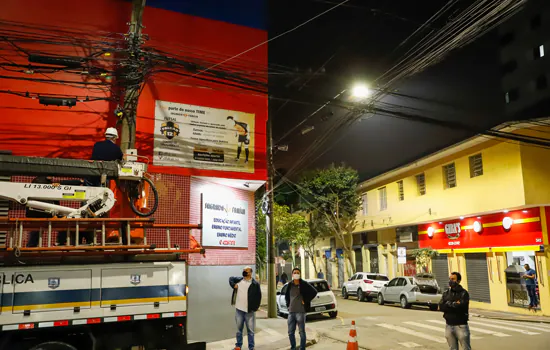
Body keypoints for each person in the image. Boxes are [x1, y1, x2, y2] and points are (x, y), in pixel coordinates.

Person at [284, 267, 318, 350]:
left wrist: (305, 300)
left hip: (300, 312)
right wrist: (288, 305)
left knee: (301, 332)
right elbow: (286, 296)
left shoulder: (303, 284)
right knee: (290, 332)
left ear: (300, 274)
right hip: (291, 312)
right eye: (294, 272)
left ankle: (302, 348)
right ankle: (293, 348)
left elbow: (314, 292)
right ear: (292, 275)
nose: (296, 274)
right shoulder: (289, 285)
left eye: (297, 273)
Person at [229, 266, 261, 350]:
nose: (244, 272)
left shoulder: (255, 284)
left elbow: (258, 296)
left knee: (250, 331)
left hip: (249, 311)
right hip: (239, 309)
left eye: (246, 271)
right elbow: (230, 278)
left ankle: (251, 347)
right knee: (239, 330)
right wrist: (233, 285)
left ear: (250, 272)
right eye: (243, 271)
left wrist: (255, 308)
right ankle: (238, 345)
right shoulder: (239, 280)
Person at [439, 272, 471, 350]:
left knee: (465, 348)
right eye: (450, 279)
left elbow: (460, 306)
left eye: (453, 279)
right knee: (452, 348)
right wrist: (453, 304)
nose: (451, 281)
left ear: (459, 281)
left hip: (461, 325)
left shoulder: (464, 293)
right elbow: (441, 306)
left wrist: (448, 304)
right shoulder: (446, 293)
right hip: (449, 325)